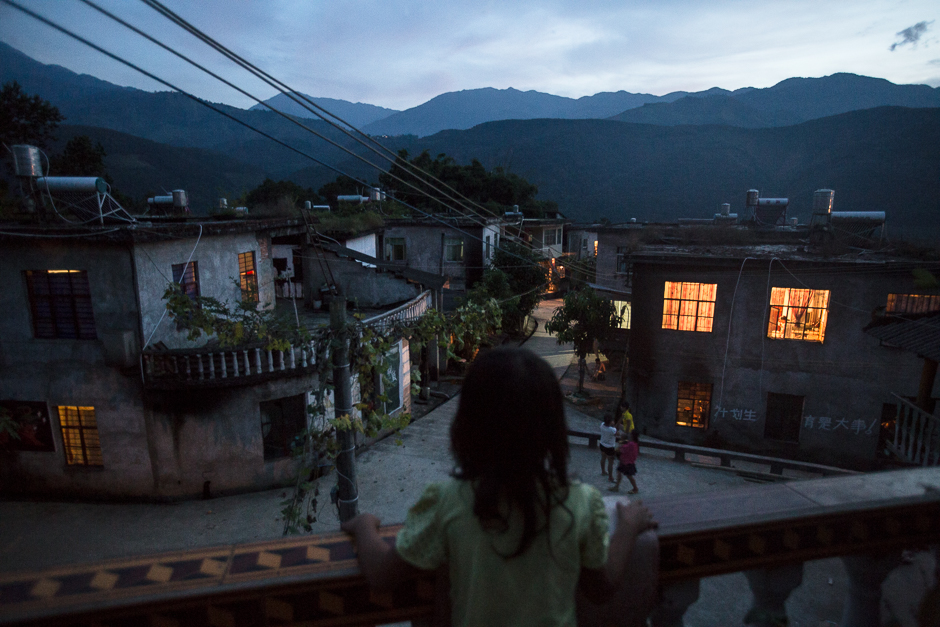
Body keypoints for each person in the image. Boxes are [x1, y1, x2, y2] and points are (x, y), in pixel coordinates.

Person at [341, 346, 658, 627]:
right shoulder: (580, 502)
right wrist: (628, 528)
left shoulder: (449, 501)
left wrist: (364, 525)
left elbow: (382, 575)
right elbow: (601, 588)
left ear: (467, 426)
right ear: (552, 429)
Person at [611, 430, 641, 494]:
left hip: (627, 462)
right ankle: (616, 486)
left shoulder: (631, 444)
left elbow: (622, 449)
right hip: (626, 461)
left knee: (629, 476)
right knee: (620, 472)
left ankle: (635, 488)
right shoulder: (635, 444)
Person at [599, 414, 619, 482]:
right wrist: (613, 426)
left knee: (603, 458)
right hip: (610, 447)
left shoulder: (602, 425)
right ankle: (610, 477)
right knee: (610, 462)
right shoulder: (612, 429)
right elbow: (617, 434)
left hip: (602, 444)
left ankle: (603, 471)